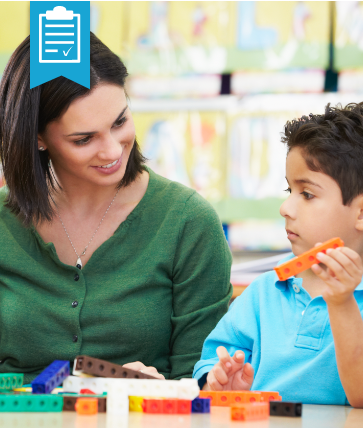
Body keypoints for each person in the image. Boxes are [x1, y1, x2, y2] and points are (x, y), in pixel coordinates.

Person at [0, 34, 233, 384]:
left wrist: (160, 392)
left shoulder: (188, 223)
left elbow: (203, 384)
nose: (112, 152)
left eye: (120, 122)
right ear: (37, 138)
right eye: (84, 139)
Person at [193, 104, 363, 408]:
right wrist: (217, 381)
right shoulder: (264, 292)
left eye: (307, 194)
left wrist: (342, 303)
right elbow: (211, 359)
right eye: (289, 190)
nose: (285, 208)